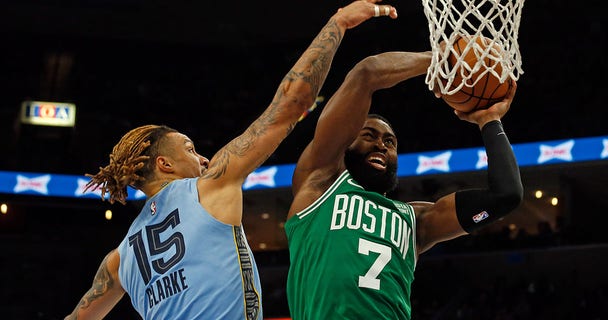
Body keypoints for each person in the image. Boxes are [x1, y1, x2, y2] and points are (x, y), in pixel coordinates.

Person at [64, 1, 399, 319]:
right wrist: (337, 23)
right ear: (164, 165)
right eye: (190, 149)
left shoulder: (118, 260)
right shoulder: (209, 187)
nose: (205, 159)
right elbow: (293, 102)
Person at [285, 51, 523, 319]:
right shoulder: (320, 185)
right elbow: (366, 73)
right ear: (345, 144)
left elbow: (506, 195)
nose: (381, 145)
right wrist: (444, 58)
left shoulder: (416, 220)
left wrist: (489, 121)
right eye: (368, 135)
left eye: (390, 142)